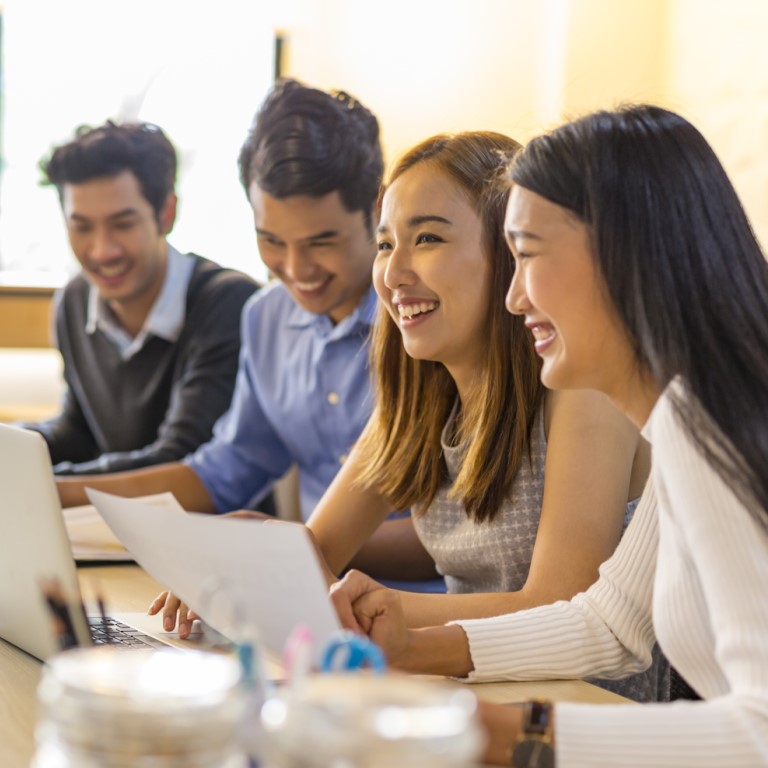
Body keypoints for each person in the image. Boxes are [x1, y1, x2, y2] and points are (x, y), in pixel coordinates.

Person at [331, 106, 768, 766]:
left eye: (527, 255)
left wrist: (514, 735)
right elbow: (610, 622)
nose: (514, 297)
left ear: (623, 256)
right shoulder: (685, 419)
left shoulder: (723, 432)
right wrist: (413, 647)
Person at [304, 131, 665, 702]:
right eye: (383, 245)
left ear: (509, 255)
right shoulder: (419, 397)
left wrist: (376, 609)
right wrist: (241, 567)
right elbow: (313, 551)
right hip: (465, 691)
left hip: (588, 710)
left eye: (426, 238)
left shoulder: (582, 384)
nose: (393, 274)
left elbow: (560, 601)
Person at [55, 80, 436, 588]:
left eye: (322, 241)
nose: (296, 269)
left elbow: (468, 538)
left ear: (377, 208)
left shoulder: (427, 321)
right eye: (271, 240)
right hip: (308, 602)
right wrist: (46, 490)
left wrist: (294, 546)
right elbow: (222, 473)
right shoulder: (267, 317)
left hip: (422, 609)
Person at [20, 121, 259, 475]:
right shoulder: (74, 301)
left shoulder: (229, 303)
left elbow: (179, 458)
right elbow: (78, 432)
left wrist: (42, 483)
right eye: (82, 227)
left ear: (166, 213)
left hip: (215, 527)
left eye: (123, 223)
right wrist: (16, 446)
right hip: (110, 524)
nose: (102, 251)